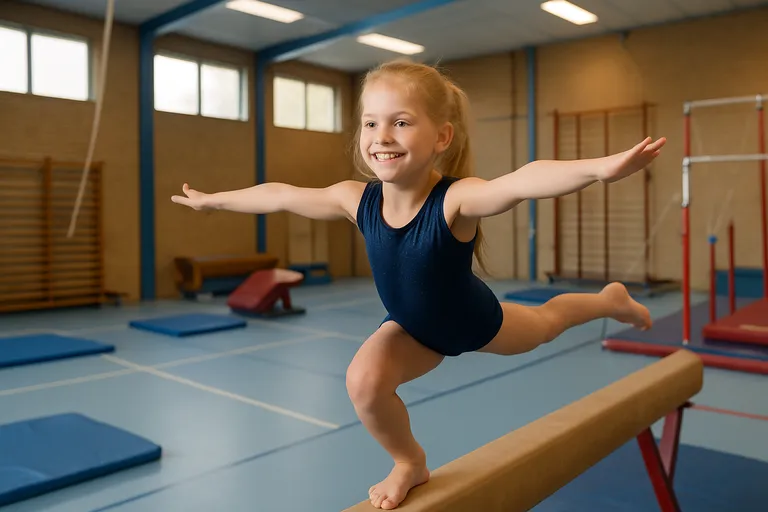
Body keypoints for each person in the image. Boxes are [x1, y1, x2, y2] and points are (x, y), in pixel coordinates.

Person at [172, 59, 664, 510]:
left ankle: (608, 301)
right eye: (370, 123)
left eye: (401, 122)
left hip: (475, 322)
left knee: (547, 322)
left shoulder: (455, 200)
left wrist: (599, 169)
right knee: (364, 383)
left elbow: (521, 181)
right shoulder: (356, 199)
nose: (381, 136)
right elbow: (280, 194)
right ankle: (409, 461)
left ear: (442, 137)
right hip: (412, 330)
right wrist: (216, 201)